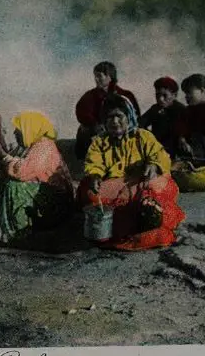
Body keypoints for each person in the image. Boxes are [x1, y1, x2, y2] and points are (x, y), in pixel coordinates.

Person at [78, 94, 185, 251]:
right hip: (116, 187)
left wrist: (153, 165)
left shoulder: (143, 136)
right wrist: (95, 175)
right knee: (90, 191)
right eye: (110, 117)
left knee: (158, 184)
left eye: (119, 116)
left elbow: (160, 155)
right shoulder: (99, 142)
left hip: (140, 183)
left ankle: (149, 213)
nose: (114, 121)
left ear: (129, 117)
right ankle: (136, 218)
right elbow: (94, 163)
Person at [0, 111, 75, 242]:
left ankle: (19, 231)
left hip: (56, 202)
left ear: (29, 128)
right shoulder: (25, 147)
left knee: (15, 186)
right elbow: (6, 169)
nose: (15, 133)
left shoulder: (44, 146)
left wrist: (1, 153)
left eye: (18, 129)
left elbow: (21, 172)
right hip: (39, 195)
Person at [75, 61, 141, 160]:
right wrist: (94, 124)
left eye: (99, 76)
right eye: (95, 76)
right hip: (98, 131)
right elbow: (81, 112)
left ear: (109, 77)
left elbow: (135, 116)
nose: (96, 79)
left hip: (122, 129)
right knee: (83, 130)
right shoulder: (90, 96)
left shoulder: (125, 95)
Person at [138, 76, 187, 156]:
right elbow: (140, 123)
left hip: (176, 152)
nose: (160, 99)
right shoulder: (155, 108)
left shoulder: (181, 110)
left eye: (165, 95)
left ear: (174, 95)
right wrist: (148, 136)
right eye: (158, 95)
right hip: (157, 149)